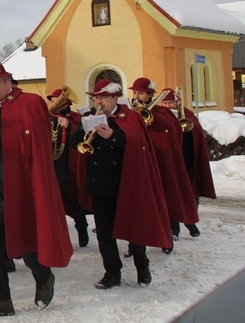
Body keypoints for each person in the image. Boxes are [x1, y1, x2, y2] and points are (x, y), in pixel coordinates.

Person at [0, 59, 72, 319]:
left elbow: (35, 140)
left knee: (25, 243)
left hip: (17, 187)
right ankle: (0, 299)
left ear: (6, 80)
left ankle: (44, 276)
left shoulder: (30, 103)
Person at [70, 79, 170, 290]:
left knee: (133, 228)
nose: (99, 101)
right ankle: (112, 272)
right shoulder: (90, 117)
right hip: (99, 184)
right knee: (105, 233)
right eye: (96, 97)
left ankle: (142, 267)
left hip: (125, 183)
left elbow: (139, 143)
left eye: (103, 97)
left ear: (115, 97)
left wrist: (114, 136)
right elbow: (74, 144)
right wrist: (82, 128)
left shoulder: (130, 117)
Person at [129, 78, 198, 253]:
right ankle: (135, 245)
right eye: (134, 93)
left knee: (164, 200)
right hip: (140, 162)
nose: (136, 96)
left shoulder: (161, 111)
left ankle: (168, 238)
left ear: (150, 94)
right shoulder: (130, 111)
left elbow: (171, 127)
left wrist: (152, 117)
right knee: (139, 205)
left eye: (140, 93)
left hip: (159, 162)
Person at [159, 88, 217, 238]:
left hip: (187, 160)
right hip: (170, 162)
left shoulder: (186, 114)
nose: (167, 106)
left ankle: (191, 222)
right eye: (164, 103)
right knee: (172, 195)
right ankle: (174, 229)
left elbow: (197, 134)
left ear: (176, 102)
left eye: (170, 103)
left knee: (191, 194)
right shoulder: (158, 116)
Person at [47, 87, 91, 248]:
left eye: (58, 101)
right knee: (53, 203)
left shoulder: (76, 118)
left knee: (73, 201)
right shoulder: (48, 118)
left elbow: (83, 133)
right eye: (52, 102)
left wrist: (69, 125)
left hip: (69, 165)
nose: (55, 104)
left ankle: (82, 228)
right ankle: (57, 237)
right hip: (53, 164)